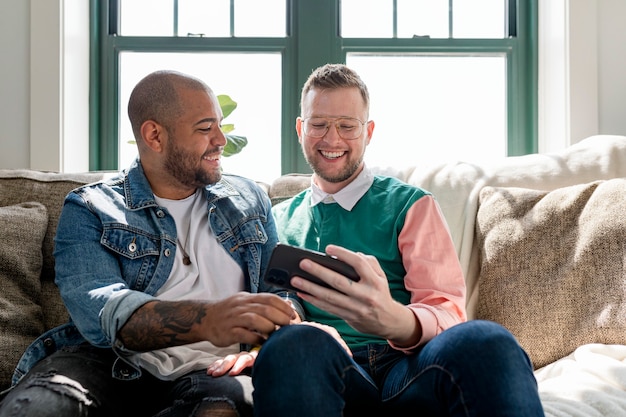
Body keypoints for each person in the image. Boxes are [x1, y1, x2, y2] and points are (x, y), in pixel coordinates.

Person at [0, 70, 300, 417]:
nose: (221, 139)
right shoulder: (91, 208)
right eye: (205, 128)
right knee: (40, 408)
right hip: (109, 364)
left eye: (219, 125)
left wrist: (264, 346)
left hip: (215, 369)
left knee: (223, 410)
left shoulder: (248, 200)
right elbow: (102, 311)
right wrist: (206, 318)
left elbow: (280, 293)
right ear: (154, 135)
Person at [251, 64, 545, 416]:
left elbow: (447, 310)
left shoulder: (411, 205)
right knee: (295, 344)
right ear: (301, 129)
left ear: (369, 132)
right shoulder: (276, 220)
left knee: (487, 339)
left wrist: (393, 320)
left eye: (347, 126)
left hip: (407, 368)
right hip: (329, 368)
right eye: (319, 125)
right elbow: (270, 309)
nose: (332, 139)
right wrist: (285, 332)